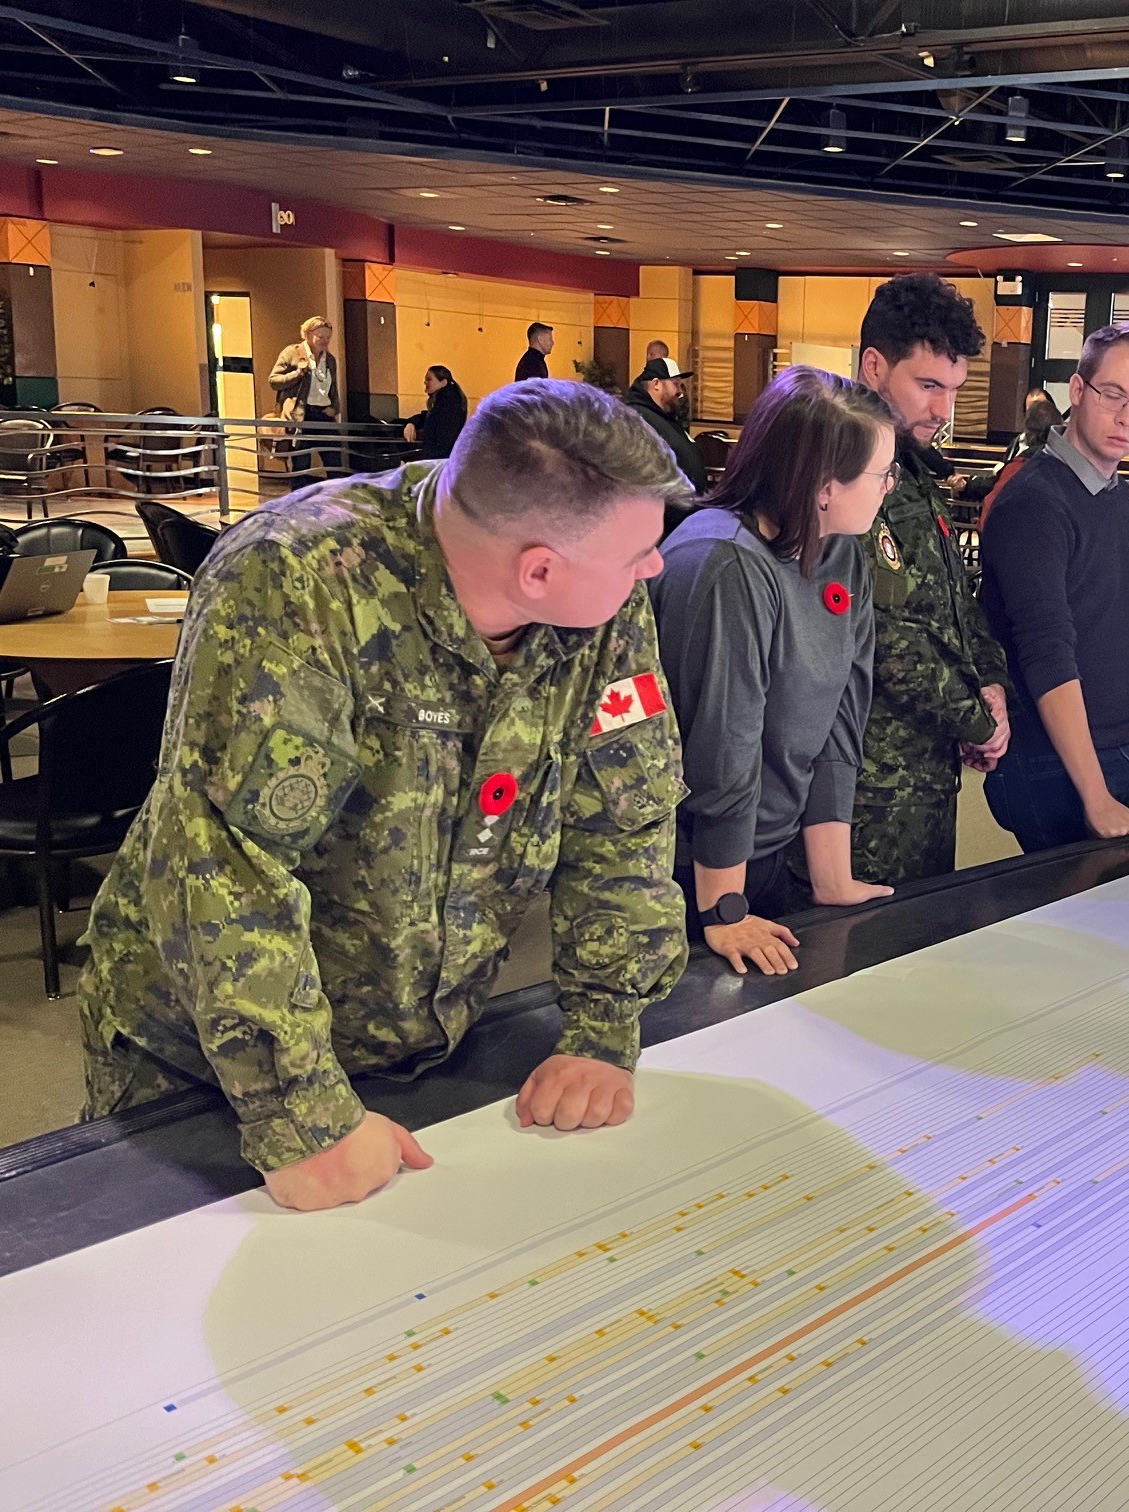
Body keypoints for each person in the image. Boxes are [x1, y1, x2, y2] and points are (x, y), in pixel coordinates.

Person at [78, 379, 695, 1212]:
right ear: (539, 569)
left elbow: (623, 814)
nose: (654, 567)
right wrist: (302, 1117)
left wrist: (601, 1030)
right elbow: (224, 862)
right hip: (208, 1062)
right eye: (637, 556)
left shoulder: (606, 603)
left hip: (421, 1050)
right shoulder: (296, 578)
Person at [650, 367, 897, 977]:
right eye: (880, 473)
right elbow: (723, 748)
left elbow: (843, 713)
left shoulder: (840, 547)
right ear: (822, 485)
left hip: (768, 852)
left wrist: (831, 879)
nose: (891, 486)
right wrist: (724, 910)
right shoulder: (724, 563)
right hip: (689, 867)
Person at [849, 273, 1012, 885]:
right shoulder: (843, 473)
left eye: (953, 390)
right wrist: (976, 719)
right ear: (873, 366)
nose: (943, 411)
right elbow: (880, 636)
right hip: (861, 787)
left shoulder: (911, 471)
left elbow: (955, 605)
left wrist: (990, 685)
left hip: (926, 775)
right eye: (928, 386)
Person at [977, 325, 1129, 851]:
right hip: (1056, 764)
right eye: (1114, 395)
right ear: (1078, 391)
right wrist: (1095, 792)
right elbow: (1045, 651)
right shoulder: (1035, 501)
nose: (1128, 418)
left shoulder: (1119, 497)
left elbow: (1120, 619)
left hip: (1124, 741)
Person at [964, 389, 1059, 526]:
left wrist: (971, 485)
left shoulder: (1034, 458)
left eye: (1040, 406)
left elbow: (1005, 483)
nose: (1036, 412)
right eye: (1031, 408)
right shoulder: (1017, 443)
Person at [625, 355, 706, 500]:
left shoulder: (662, 416)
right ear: (656, 384)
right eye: (675, 384)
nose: (680, 392)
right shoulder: (639, 419)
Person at [269, 316, 339, 425]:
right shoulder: (292, 353)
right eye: (320, 337)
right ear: (307, 335)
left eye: (328, 337)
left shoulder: (330, 360)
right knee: (301, 441)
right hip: (300, 414)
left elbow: (333, 387)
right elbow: (274, 381)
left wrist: (334, 408)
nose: (325, 341)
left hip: (324, 414)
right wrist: (297, 373)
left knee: (333, 441)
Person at [402, 364, 467, 461]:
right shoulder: (445, 402)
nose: (425, 382)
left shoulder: (449, 407)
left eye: (429, 379)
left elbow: (441, 446)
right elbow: (426, 417)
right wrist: (412, 422)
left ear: (443, 382)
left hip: (438, 461)